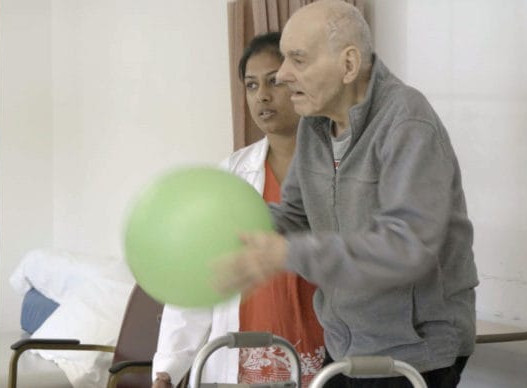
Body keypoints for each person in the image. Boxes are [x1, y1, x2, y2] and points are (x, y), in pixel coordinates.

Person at [216, 2, 478, 387]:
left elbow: (405, 246)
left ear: (349, 64)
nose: (284, 75)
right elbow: (296, 215)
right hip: (344, 343)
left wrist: (286, 253)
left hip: (413, 351)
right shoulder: (314, 125)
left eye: (298, 59)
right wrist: (234, 227)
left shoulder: (407, 122)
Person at [152, 33, 324, 387]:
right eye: (251, 85)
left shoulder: (337, 168)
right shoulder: (230, 176)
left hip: (324, 353)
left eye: (274, 81)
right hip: (243, 357)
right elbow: (199, 275)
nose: (262, 96)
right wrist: (169, 365)